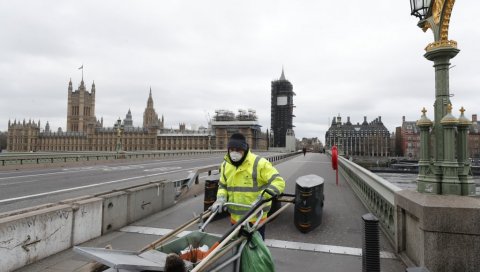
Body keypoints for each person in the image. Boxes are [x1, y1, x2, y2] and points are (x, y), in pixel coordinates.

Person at [212, 133, 285, 240]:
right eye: (231, 149)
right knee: (237, 249)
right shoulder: (225, 165)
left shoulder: (259, 163)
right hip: (235, 218)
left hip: (255, 218)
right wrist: (220, 199)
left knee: (254, 251)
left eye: (238, 149)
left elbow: (278, 182)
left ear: (245, 149)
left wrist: (264, 197)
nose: (234, 153)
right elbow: (223, 185)